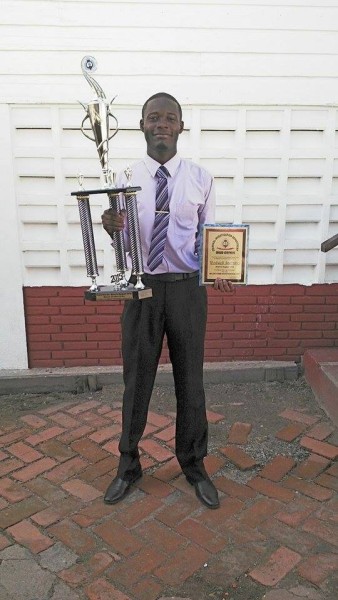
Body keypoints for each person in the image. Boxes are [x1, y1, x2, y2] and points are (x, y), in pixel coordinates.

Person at [101, 92, 234, 510]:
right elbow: (122, 245)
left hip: (186, 289)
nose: (162, 124)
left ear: (180, 127)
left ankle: (193, 465)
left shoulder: (200, 178)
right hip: (142, 289)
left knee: (190, 380)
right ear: (141, 125)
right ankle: (128, 466)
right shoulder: (124, 176)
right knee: (136, 380)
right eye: (153, 117)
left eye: (170, 118)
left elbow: (210, 233)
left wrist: (220, 268)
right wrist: (110, 227)